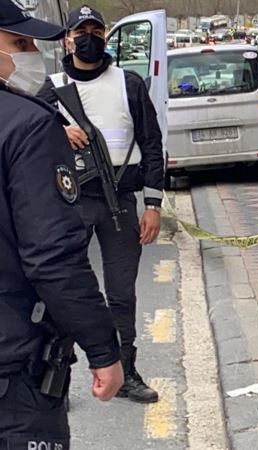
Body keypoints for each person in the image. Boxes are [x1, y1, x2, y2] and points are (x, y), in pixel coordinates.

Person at [0, 2, 123, 446]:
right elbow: (52, 257)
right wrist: (103, 349)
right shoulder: (27, 125)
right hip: (14, 376)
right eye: (20, 42)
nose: (32, 53)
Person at [37, 5, 164, 403]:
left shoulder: (129, 83)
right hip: (70, 202)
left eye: (96, 30)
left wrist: (153, 204)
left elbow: (152, 143)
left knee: (122, 294)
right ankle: (55, 377)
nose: (89, 38)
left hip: (120, 202)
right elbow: (26, 136)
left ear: (106, 36)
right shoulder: (51, 89)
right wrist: (59, 129)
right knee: (63, 291)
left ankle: (126, 371)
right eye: (81, 32)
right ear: (68, 40)